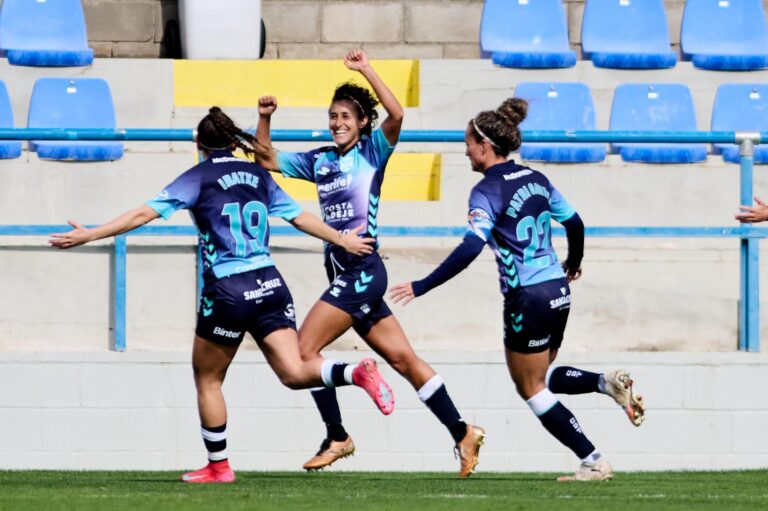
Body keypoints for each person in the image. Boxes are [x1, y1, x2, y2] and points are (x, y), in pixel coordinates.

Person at [49, 106, 395, 484]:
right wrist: (342, 238)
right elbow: (300, 217)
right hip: (271, 284)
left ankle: (219, 466)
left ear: (199, 144)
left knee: (208, 379)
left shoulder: (197, 177)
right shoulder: (257, 175)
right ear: (234, 142)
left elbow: (140, 216)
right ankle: (354, 372)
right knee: (295, 372)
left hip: (228, 289)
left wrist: (90, 234)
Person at [390, 98, 646, 482]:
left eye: (467, 144)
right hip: (558, 290)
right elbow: (575, 224)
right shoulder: (537, 179)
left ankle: (593, 460)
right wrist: (572, 264)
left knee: (530, 387)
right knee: (544, 376)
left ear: (484, 144)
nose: (465, 151)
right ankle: (602, 383)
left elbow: (471, 247)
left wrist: (423, 285)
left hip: (526, 295)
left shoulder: (485, 191)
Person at [257, 50, 485, 477]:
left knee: (303, 352)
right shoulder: (320, 160)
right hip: (345, 273)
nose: (337, 123)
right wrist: (265, 116)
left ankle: (337, 436)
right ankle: (462, 431)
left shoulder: (372, 151)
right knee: (404, 361)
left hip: (363, 271)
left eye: (345, 116)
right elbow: (266, 159)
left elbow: (396, 113)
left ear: (362, 123)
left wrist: (365, 69)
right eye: (332, 116)